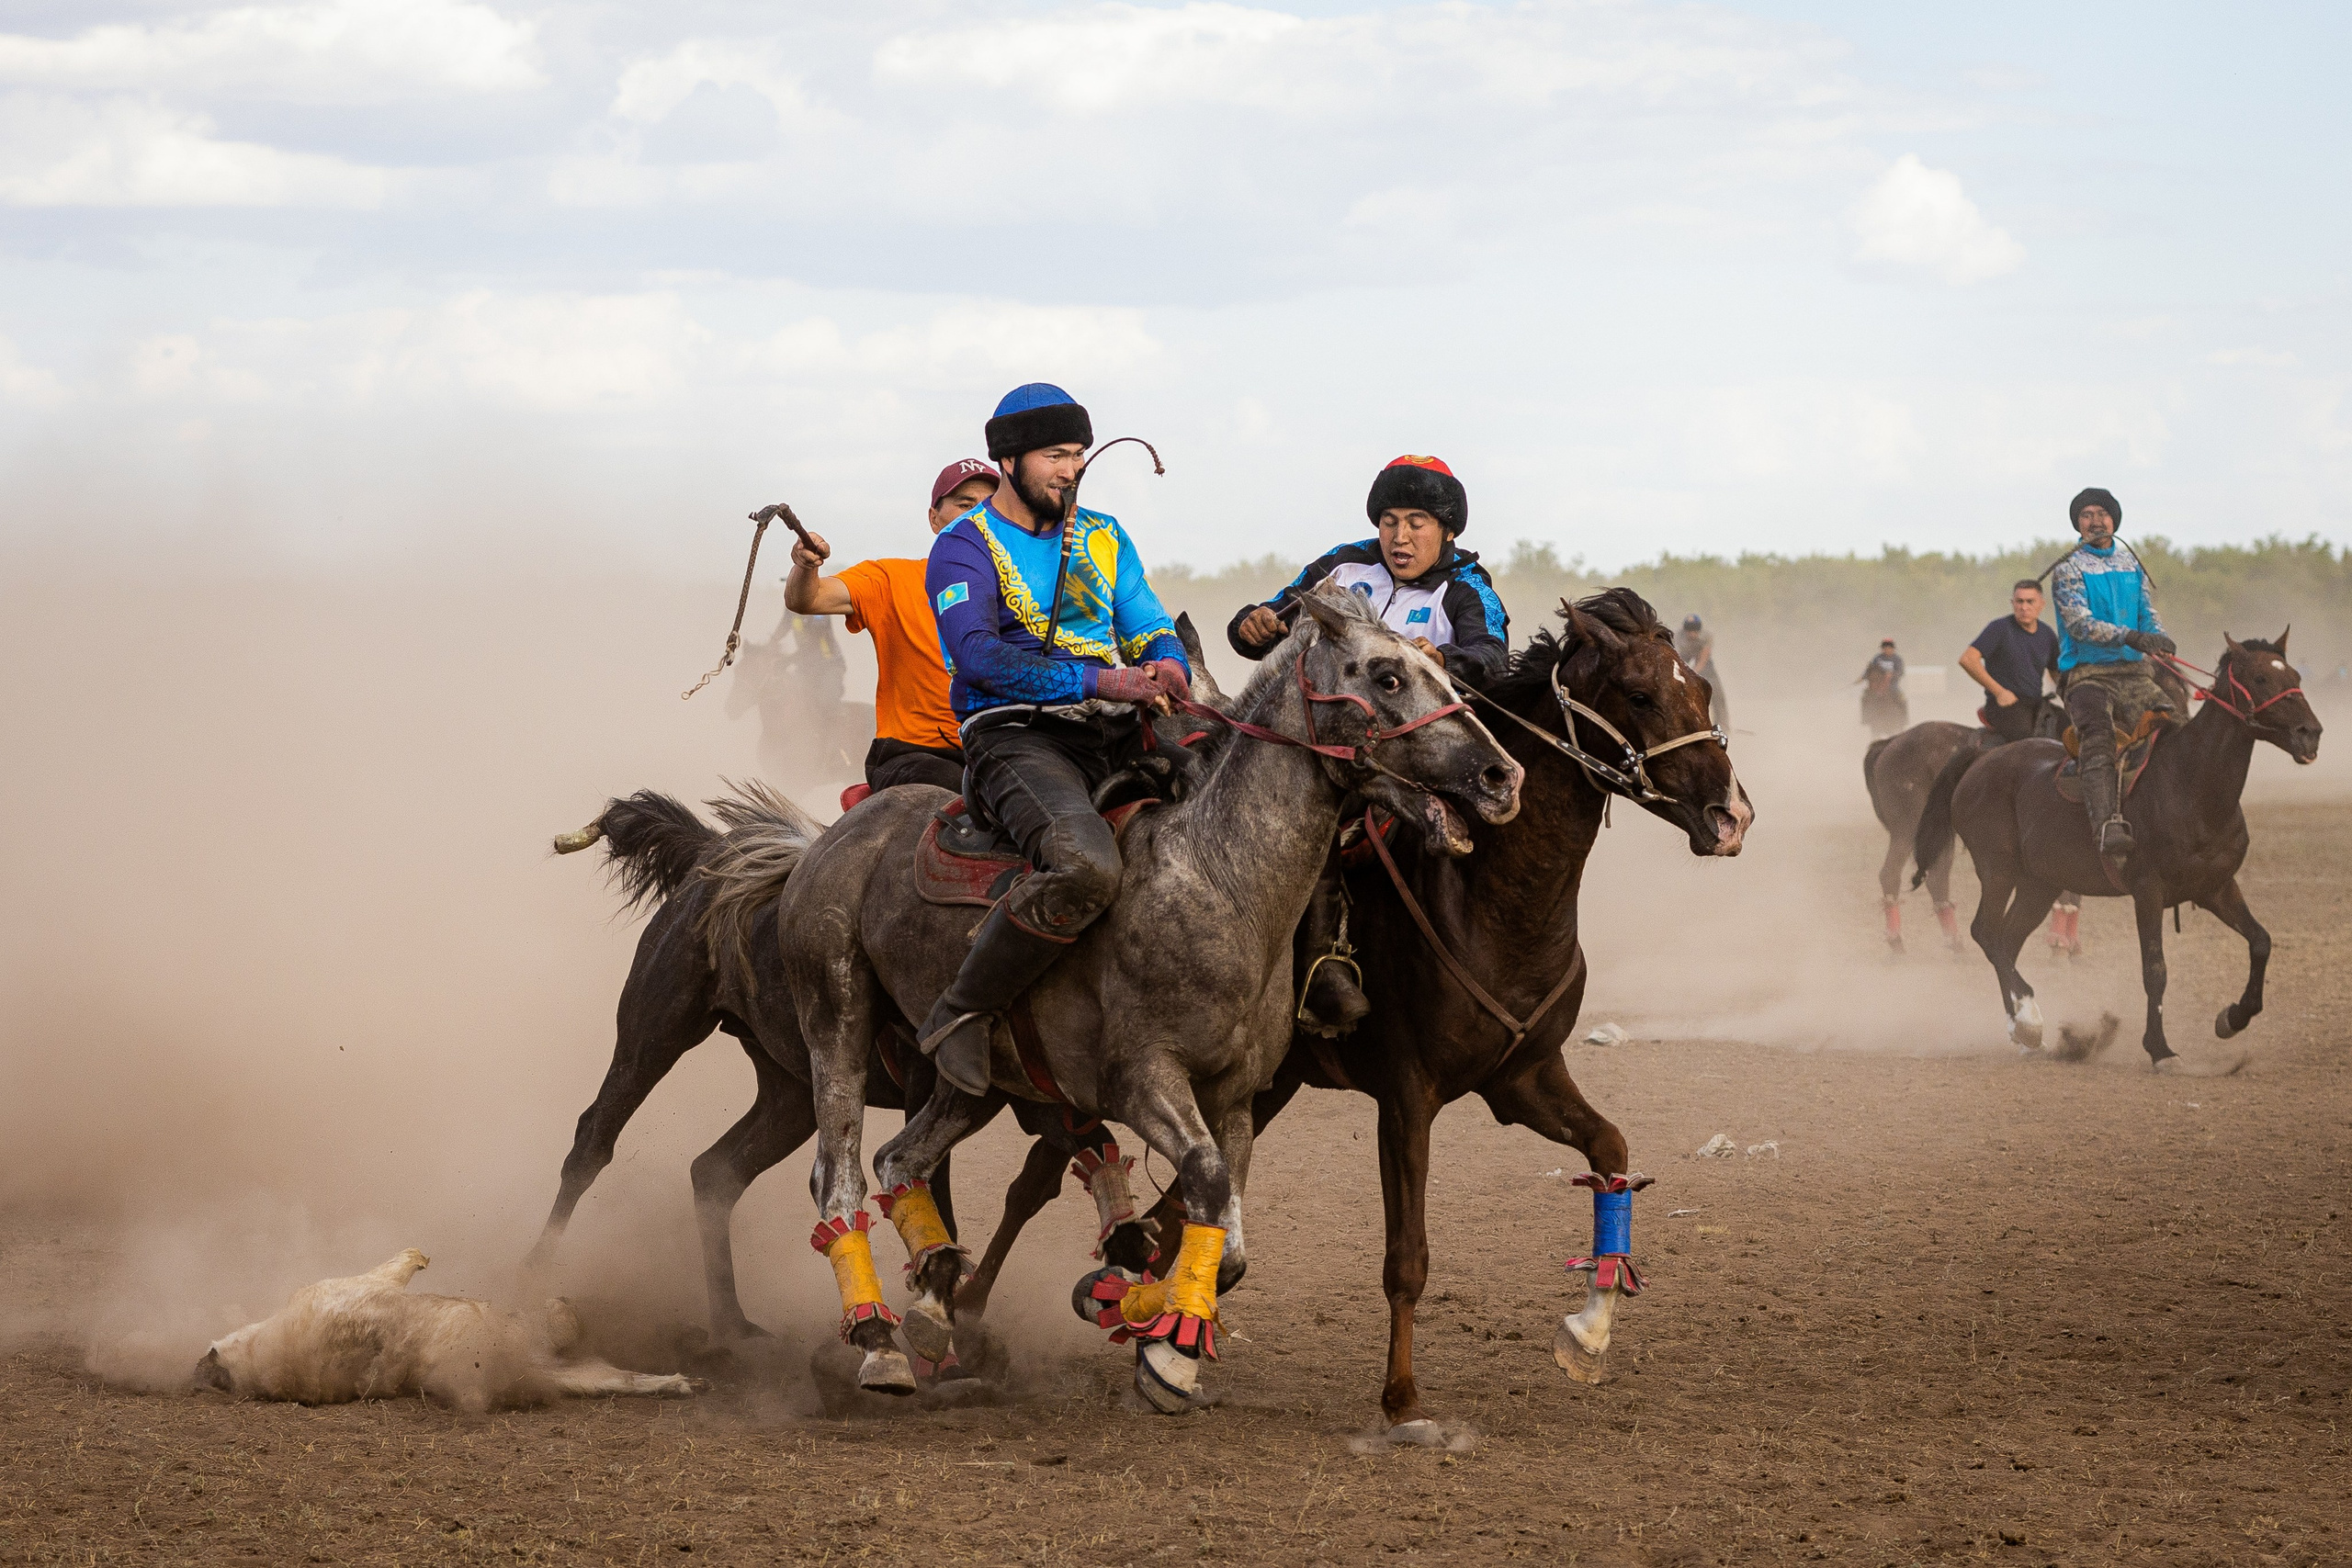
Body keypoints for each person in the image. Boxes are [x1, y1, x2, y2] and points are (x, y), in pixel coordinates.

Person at [917, 383, 1192, 1094]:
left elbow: (1147, 622)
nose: (1070, 469)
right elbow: (977, 656)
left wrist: (1167, 661)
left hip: (1116, 732)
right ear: (1007, 460)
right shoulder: (961, 548)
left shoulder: (1104, 534)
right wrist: (1102, 682)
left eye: (1077, 454)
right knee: (1087, 867)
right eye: (1054, 455)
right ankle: (961, 1010)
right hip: (1014, 739)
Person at [784, 458, 1003, 794]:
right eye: (964, 505)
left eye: (989, 506)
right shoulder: (891, 579)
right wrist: (804, 566)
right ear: (934, 519)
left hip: (1000, 753)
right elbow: (807, 599)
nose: (978, 516)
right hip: (916, 755)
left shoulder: (1028, 594)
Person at [1226, 455, 1507, 688]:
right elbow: (1273, 619)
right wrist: (1249, 627)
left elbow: (1493, 659)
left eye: (1416, 524)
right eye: (1389, 522)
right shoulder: (1342, 562)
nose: (1400, 537)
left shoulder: (1468, 588)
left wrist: (1443, 661)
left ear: (1448, 532)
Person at [2049, 486, 2175, 862]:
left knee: (2174, 725)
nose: (2095, 521)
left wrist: (2158, 636)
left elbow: (2146, 612)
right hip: (2088, 674)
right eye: (2086, 515)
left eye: (2102, 514)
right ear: (2078, 524)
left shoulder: (2130, 565)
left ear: (2114, 521)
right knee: (2099, 738)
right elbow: (2079, 624)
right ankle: (2106, 826)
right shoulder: (2067, 568)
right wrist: (2131, 636)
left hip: (2135, 672)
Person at [1961, 581, 2062, 744]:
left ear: (2041, 604)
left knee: (2069, 727)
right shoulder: (1999, 628)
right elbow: (1968, 660)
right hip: (2004, 706)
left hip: (2036, 704)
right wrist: (1999, 692)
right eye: (2019, 601)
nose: (2024, 607)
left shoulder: (2047, 634)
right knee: (2029, 741)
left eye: (2030, 601)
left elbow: (2057, 673)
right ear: (2012, 603)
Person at [1677, 614, 1729, 728]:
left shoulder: (1706, 636)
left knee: (1716, 691)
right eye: (1689, 630)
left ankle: (1723, 724)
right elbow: (1677, 655)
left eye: (1695, 630)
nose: (1692, 633)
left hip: (1703, 662)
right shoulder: (1678, 637)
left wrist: (1693, 674)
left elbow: (1703, 659)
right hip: (1685, 655)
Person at [1857, 638, 1908, 737]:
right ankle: (1866, 718)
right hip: (1878, 685)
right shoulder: (1878, 658)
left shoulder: (1897, 659)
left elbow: (1901, 672)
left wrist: (1892, 675)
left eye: (1889, 648)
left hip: (1893, 685)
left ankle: (1903, 720)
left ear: (1893, 649)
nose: (1886, 650)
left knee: (1902, 699)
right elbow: (1870, 669)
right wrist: (1862, 677)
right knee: (1865, 697)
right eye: (1884, 648)